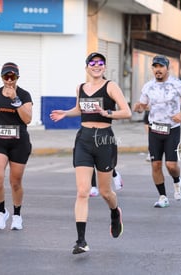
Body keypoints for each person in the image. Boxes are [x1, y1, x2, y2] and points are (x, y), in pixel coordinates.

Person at [50, 52, 131, 254]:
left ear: (104, 67)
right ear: (87, 67)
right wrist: (66, 113)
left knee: (105, 192)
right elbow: (80, 109)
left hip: (104, 139)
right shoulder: (81, 87)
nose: (96, 66)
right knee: (82, 191)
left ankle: (114, 212)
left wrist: (107, 113)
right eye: (93, 63)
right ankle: (81, 241)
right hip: (84, 139)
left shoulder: (111, 87)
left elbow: (127, 112)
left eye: (100, 63)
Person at [133, 55, 181, 208]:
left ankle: (177, 181)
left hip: (172, 130)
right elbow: (142, 105)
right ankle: (162, 196)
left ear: (167, 68)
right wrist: (138, 107)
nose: (158, 70)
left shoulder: (177, 84)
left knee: (171, 165)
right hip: (154, 129)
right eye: (155, 67)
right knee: (155, 165)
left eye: (161, 66)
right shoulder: (148, 86)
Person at [0, 62, 33, 231]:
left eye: (13, 76)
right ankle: (2, 212)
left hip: (19, 142)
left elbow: (28, 119)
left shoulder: (24, 95)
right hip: (0, 141)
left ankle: (17, 215)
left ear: (17, 77)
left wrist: (15, 100)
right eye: (6, 76)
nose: (9, 80)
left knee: (15, 182)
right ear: (2, 77)